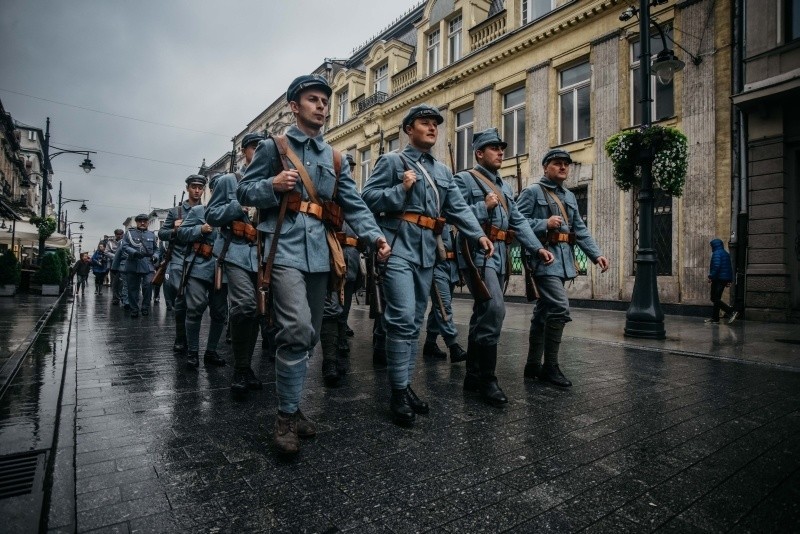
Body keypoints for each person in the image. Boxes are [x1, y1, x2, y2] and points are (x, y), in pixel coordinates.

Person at [238, 74, 390, 455]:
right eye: (313, 99)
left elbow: (353, 203)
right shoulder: (276, 147)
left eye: (325, 100)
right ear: (295, 106)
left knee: (311, 334)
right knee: (297, 328)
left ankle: (292, 405)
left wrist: (375, 236)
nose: (321, 106)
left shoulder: (335, 157)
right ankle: (285, 418)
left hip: (322, 254)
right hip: (284, 249)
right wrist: (271, 185)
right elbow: (244, 190)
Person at [362, 104, 494, 426]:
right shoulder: (393, 161)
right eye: (425, 122)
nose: (432, 127)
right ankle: (396, 392)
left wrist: (477, 235)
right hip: (397, 248)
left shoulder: (442, 172)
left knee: (415, 323)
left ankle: (405, 386)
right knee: (403, 318)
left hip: (427, 253)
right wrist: (400, 189)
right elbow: (366, 199)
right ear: (409, 129)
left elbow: (458, 207)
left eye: (435, 123)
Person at [454, 128, 555, 405]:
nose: (500, 152)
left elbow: (519, 221)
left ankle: (473, 375)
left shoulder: (505, 186)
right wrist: (483, 207)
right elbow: (453, 213)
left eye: (502, 148)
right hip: (477, 254)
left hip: (500, 255)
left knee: (483, 312)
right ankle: (488, 379)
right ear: (479, 153)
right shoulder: (464, 179)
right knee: (495, 308)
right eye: (494, 148)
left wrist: (537, 247)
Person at [517, 149, 609, 387]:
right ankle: (551, 367)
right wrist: (543, 223)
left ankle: (533, 365)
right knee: (559, 307)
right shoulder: (532, 192)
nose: (563, 168)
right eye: (557, 164)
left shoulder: (568, 196)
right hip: (544, 259)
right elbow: (516, 223)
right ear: (545, 167)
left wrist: (595, 254)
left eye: (566, 165)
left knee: (543, 312)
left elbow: (579, 229)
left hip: (563, 260)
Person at [206, 132, 265, 393]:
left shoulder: (268, 181)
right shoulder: (230, 181)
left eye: (263, 149)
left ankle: (245, 365)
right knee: (245, 305)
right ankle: (240, 369)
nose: (259, 153)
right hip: (235, 251)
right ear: (244, 152)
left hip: (262, 254)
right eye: (254, 148)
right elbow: (212, 214)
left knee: (256, 311)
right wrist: (237, 206)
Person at [175, 201, 228, 368]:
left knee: (220, 312)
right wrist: (200, 230)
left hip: (223, 267)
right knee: (195, 307)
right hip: (198, 265)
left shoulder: (233, 210)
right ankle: (192, 352)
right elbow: (182, 233)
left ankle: (211, 351)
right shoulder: (199, 211)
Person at [159, 175, 206, 352]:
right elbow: (162, 234)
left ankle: (191, 336)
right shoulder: (176, 212)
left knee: (196, 302)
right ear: (187, 188)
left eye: (200, 187)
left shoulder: (206, 210)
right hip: (179, 258)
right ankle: (180, 338)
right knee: (181, 299)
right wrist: (174, 229)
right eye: (193, 186)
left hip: (199, 258)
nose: (197, 190)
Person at [421, 222, 467, 363]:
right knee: (443, 306)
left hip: (453, 267)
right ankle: (453, 346)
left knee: (438, 307)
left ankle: (430, 343)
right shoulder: (434, 216)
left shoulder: (455, 219)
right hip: (437, 266)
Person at [122, 214, 157, 318]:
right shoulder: (129, 234)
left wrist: (156, 256)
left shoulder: (152, 235)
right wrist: (133, 252)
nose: (142, 223)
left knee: (148, 286)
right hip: (133, 262)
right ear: (136, 222)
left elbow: (157, 249)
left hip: (147, 264)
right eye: (140, 221)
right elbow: (124, 246)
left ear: (147, 223)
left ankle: (145, 307)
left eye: (145, 221)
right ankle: (134, 309)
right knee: (133, 289)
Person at [706, 238, 738, 324]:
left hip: (718, 279)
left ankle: (731, 311)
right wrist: (729, 280)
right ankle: (715, 318)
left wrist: (710, 276)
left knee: (714, 298)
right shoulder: (726, 253)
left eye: (712, 246)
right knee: (717, 298)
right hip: (723, 279)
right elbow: (730, 268)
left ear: (714, 245)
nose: (711, 247)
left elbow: (716, 266)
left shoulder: (716, 253)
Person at [106, 229, 124, 304]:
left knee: (123, 282)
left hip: (123, 264)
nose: (119, 235)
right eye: (118, 234)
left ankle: (123, 297)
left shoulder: (126, 241)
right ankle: (115, 298)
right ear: (115, 234)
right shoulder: (110, 242)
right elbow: (106, 252)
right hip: (114, 265)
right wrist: (116, 257)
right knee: (115, 282)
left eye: (121, 234)